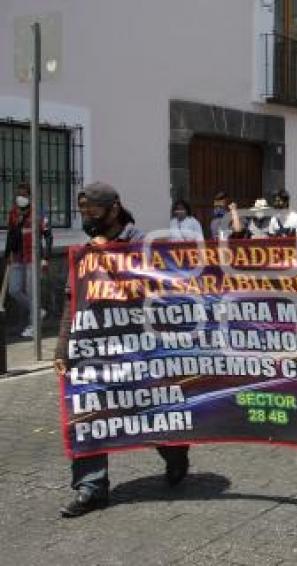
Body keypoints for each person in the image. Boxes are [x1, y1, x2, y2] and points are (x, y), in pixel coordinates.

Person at [54, 182, 190, 518]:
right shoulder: (83, 253)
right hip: (93, 352)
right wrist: (62, 346)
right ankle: (91, 488)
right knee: (86, 414)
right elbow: (73, 303)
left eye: (93, 212)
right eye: (82, 212)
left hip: (139, 350)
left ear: (114, 209)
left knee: (150, 412)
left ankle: (175, 453)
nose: (88, 218)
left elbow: (168, 291)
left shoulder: (144, 246)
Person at [4, 182, 52, 337]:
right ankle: (38, 311)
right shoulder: (13, 213)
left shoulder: (38, 214)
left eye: (24, 195)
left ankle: (33, 326)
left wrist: (46, 257)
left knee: (32, 292)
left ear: (30, 196)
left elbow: (48, 236)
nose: (21, 198)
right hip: (17, 256)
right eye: (19, 194)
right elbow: (10, 235)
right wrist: (8, 255)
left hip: (33, 257)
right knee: (14, 290)